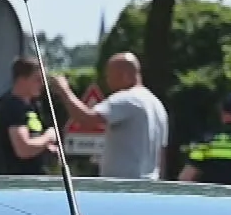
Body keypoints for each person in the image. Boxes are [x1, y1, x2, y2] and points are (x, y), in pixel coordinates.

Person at [50, 52, 169, 181]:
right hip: (150, 184)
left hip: (123, 186)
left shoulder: (126, 98)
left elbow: (87, 119)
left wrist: (64, 90)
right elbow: (161, 154)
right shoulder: (157, 105)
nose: (107, 80)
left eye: (110, 75)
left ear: (124, 76)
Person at [0, 56, 60, 176]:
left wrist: (48, 149)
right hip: (19, 181)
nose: (42, 84)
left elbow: (34, 139)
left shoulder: (33, 106)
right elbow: (23, 149)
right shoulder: (12, 107)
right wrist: (49, 137)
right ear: (22, 79)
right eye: (37, 79)